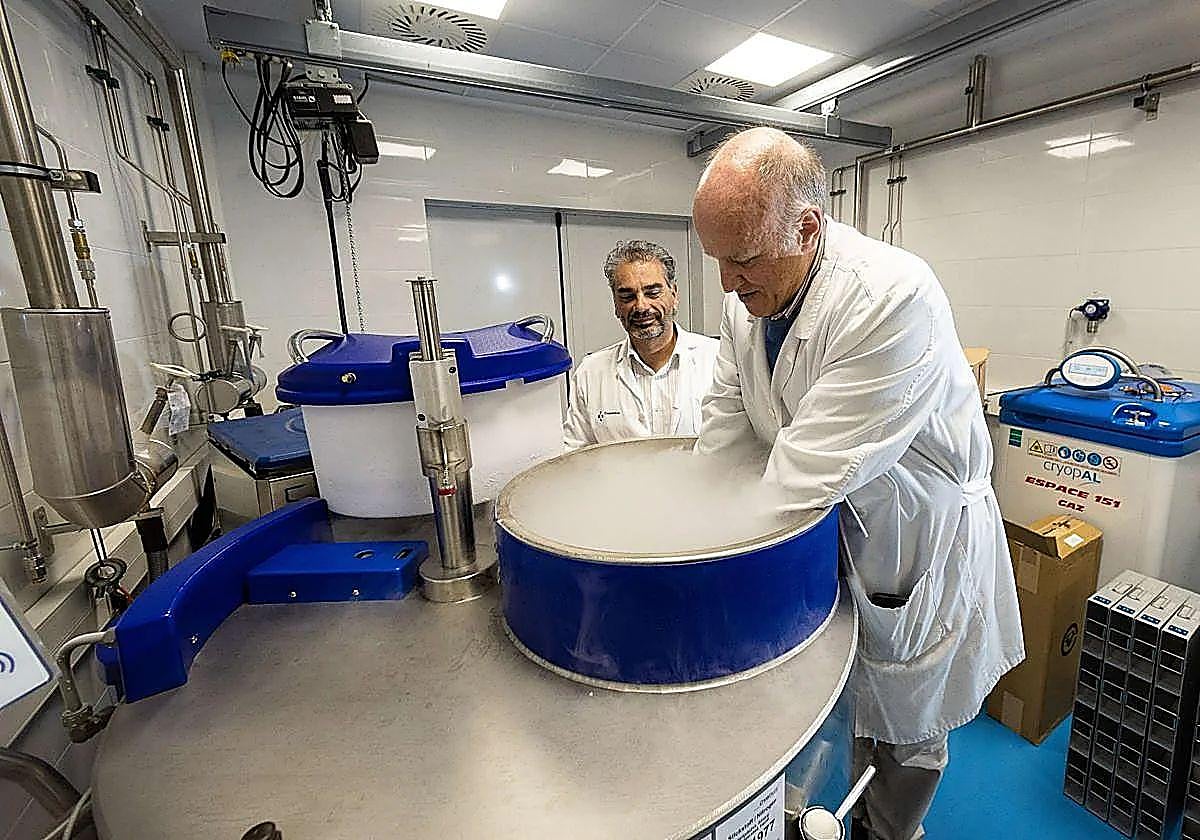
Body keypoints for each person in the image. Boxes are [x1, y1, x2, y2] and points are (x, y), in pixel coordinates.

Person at [691, 127, 1023, 840]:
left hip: (912, 539)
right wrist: (690, 512)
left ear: (807, 228)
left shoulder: (891, 297)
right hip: (833, 525)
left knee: (908, 720)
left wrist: (699, 566)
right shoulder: (745, 297)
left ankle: (892, 831)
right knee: (837, 695)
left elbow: (803, 477)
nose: (725, 281)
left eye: (741, 258)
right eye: (715, 259)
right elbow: (725, 421)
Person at [562, 239, 719, 450]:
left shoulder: (717, 359)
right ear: (616, 305)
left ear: (674, 294)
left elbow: (739, 442)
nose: (641, 306)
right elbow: (575, 456)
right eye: (627, 296)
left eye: (653, 292)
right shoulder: (591, 372)